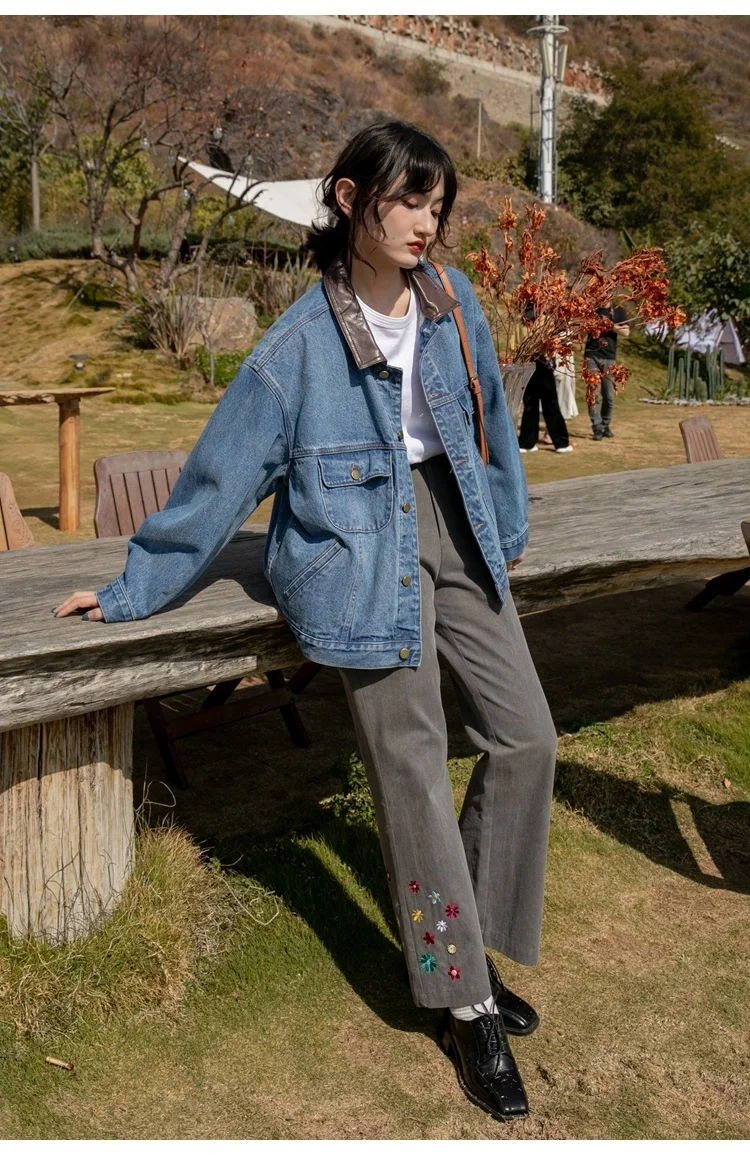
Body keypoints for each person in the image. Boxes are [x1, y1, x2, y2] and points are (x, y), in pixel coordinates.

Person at [53, 121, 557, 1124]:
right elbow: (219, 480)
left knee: (528, 737)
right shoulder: (295, 350)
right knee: (412, 769)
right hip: (354, 555)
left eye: (436, 205)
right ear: (349, 199)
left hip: (454, 525)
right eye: (407, 200)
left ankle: (463, 943)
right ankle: (463, 998)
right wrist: (134, 587)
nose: (426, 222)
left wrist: (505, 531)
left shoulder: (453, 303)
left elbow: (492, 425)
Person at [584, 301, 630, 440]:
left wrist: (610, 325)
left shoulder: (618, 310)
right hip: (591, 355)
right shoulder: (592, 309)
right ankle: (597, 427)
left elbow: (626, 332)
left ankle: (605, 424)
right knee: (593, 394)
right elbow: (581, 330)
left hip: (609, 358)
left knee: (609, 396)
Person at [518, 354, 573, 453]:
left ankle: (560, 443)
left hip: (540, 362)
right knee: (533, 405)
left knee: (547, 404)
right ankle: (527, 442)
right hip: (531, 361)